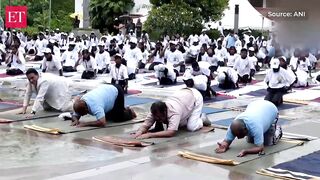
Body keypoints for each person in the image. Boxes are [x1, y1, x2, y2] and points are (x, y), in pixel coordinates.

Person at [133, 88, 210, 139]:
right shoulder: (155, 111)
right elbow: (146, 125)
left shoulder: (174, 112)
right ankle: (189, 117)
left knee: (191, 127)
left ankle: (201, 118)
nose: (158, 120)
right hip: (182, 95)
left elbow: (171, 132)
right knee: (178, 125)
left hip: (195, 97)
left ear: (165, 111)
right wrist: (139, 132)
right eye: (156, 118)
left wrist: (150, 135)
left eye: (160, 117)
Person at [215, 100, 282, 157]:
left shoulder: (256, 127)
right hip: (255, 105)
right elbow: (226, 141)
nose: (238, 138)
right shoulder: (233, 126)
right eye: (237, 136)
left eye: (241, 135)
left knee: (268, 143)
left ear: (245, 129)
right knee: (250, 141)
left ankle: (278, 131)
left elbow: (260, 148)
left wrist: (246, 151)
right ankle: (255, 134)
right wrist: (224, 146)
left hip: (271, 109)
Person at [72, 84, 137, 127]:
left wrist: (85, 124)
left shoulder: (95, 105)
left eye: (82, 114)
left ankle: (129, 111)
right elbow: (75, 115)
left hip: (116, 92)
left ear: (86, 109)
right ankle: (119, 109)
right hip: (106, 90)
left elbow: (102, 123)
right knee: (108, 118)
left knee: (117, 118)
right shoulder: (81, 103)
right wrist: (75, 120)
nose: (82, 115)